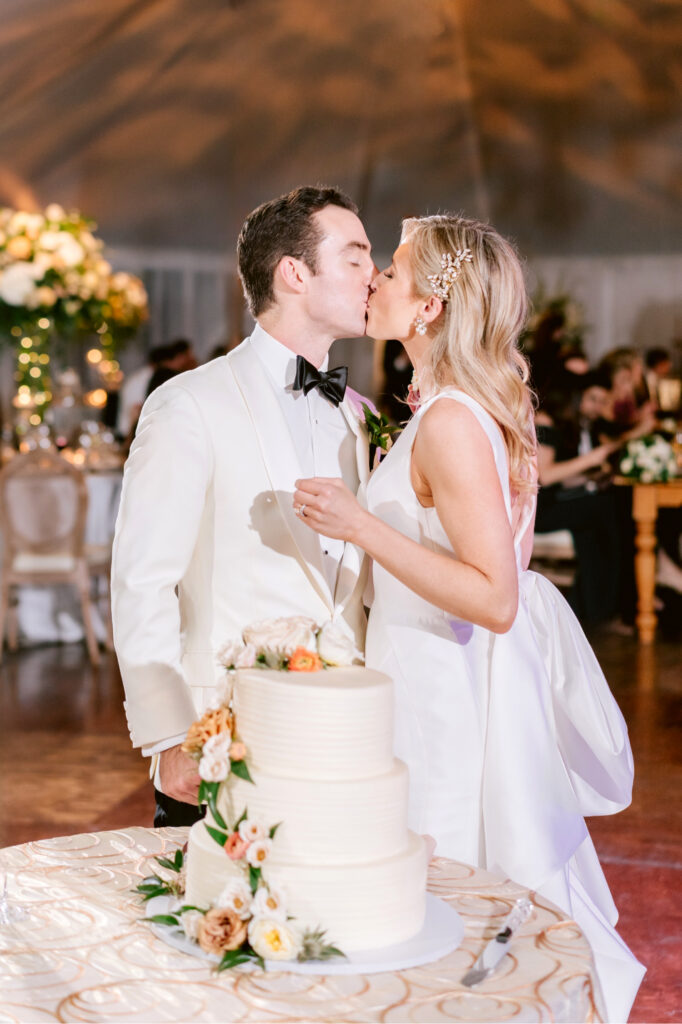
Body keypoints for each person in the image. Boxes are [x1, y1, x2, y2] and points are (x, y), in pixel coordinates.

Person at [293, 214, 644, 1022]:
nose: (375, 276)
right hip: (425, 665)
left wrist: (361, 526)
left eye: (396, 268)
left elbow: (494, 595)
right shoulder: (452, 406)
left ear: (430, 310)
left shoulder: (452, 420)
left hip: (439, 683)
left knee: (443, 883)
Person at [111, 185, 375, 828]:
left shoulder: (363, 417)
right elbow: (142, 581)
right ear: (294, 274)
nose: (376, 275)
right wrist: (169, 736)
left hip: (348, 736)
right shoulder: (188, 403)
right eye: (356, 257)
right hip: (226, 734)